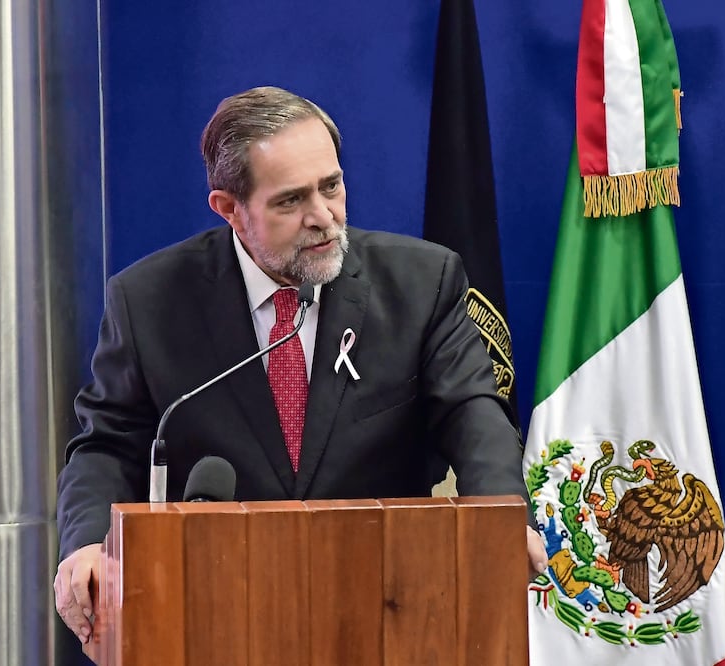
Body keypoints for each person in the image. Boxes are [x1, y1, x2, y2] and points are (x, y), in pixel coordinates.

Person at [53, 86, 547, 653]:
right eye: (291, 201)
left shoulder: (421, 282)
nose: (323, 218)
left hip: (391, 605)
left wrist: (502, 519)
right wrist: (86, 545)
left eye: (331, 187)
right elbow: (108, 444)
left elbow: (472, 411)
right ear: (230, 209)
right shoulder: (149, 301)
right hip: (215, 612)